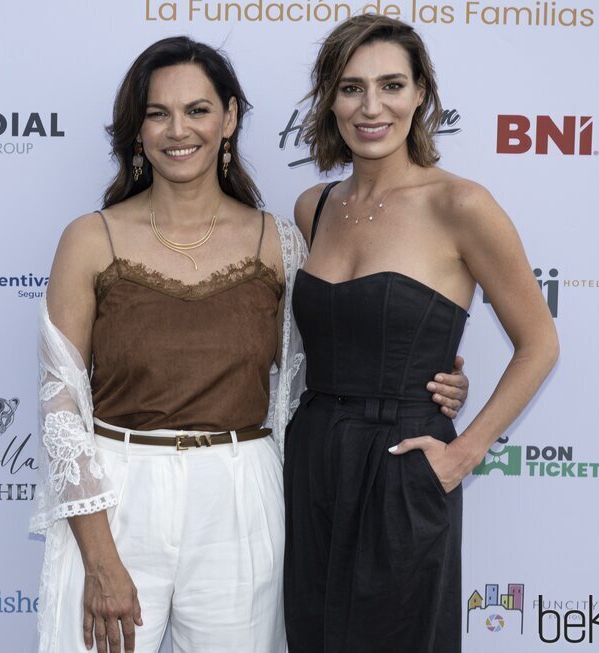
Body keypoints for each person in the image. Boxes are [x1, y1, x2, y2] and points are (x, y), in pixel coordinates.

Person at [30, 36, 469, 653]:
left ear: (230, 117)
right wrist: (100, 559)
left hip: (242, 503)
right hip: (118, 498)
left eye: (198, 109)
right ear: (137, 129)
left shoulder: (281, 242)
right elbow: (60, 410)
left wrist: (428, 378)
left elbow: (325, 364)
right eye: (158, 113)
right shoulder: (89, 239)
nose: (178, 130)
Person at [283, 15, 559, 653]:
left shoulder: (460, 205)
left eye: (391, 85)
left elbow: (539, 342)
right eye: (351, 88)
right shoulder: (313, 207)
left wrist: (462, 455)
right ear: (330, 97)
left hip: (405, 465)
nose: (371, 106)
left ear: (421, 94)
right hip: (315, 459)